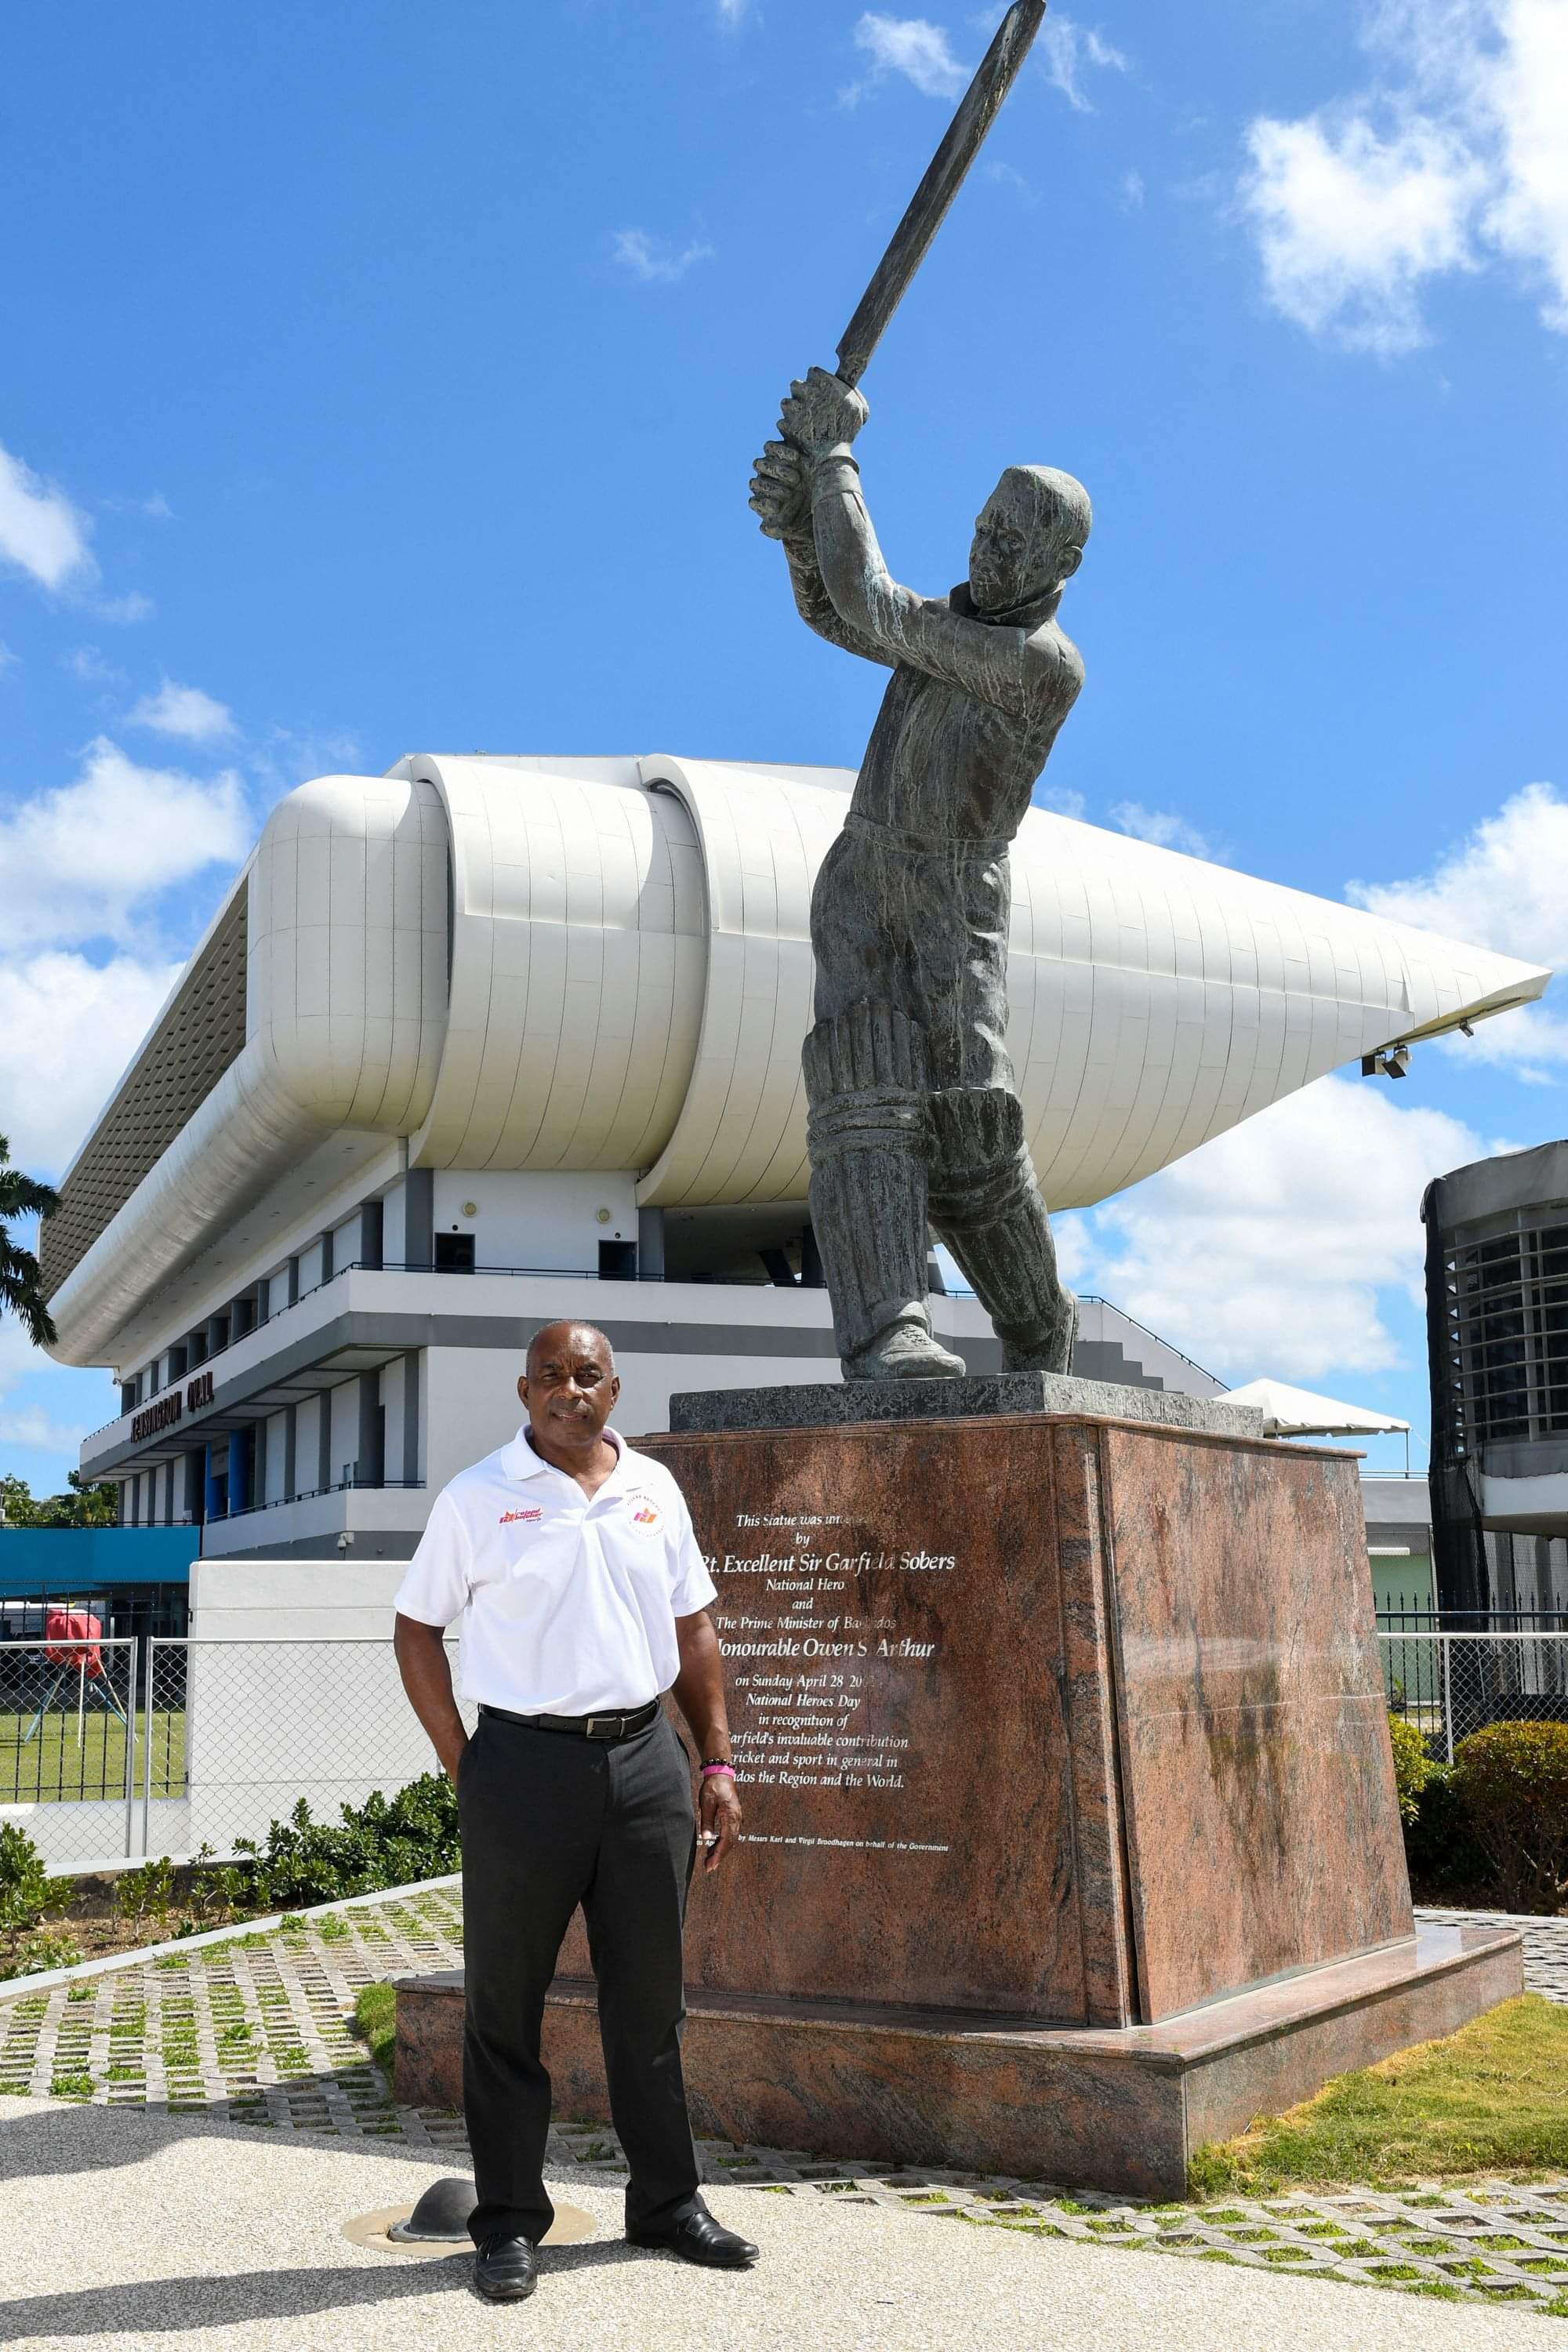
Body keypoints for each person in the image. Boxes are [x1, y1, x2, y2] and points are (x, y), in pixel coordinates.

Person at [393, 1319, 756, 2303]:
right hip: (520, 1766)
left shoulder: (653, 1489)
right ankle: (508, 2224)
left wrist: (713, 1759)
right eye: (549, 1376)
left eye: (585, 1376)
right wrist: (463, 1760)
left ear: (613, 1388)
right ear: (523, 1393)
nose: (568, 1391)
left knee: (648, 2002)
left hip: (644, 1763)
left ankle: (667, 2203)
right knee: (503, 2006)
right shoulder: (477, 1498)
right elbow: (416, 1628)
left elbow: (693, 1627)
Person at [749, 366, 1088, 1384]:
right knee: (866, 1086)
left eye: (1013, 541)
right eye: (986, 526)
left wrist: (834, 462)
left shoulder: (1041, 662)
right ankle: (887, 1325)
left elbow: (875, 605)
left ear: (1059, 563)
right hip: (864, 878)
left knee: (970, 1120)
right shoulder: (955, 621)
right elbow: (846, 614)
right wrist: (802, 526)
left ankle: (1037, 1322)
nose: (988, 549)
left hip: (953, 898)